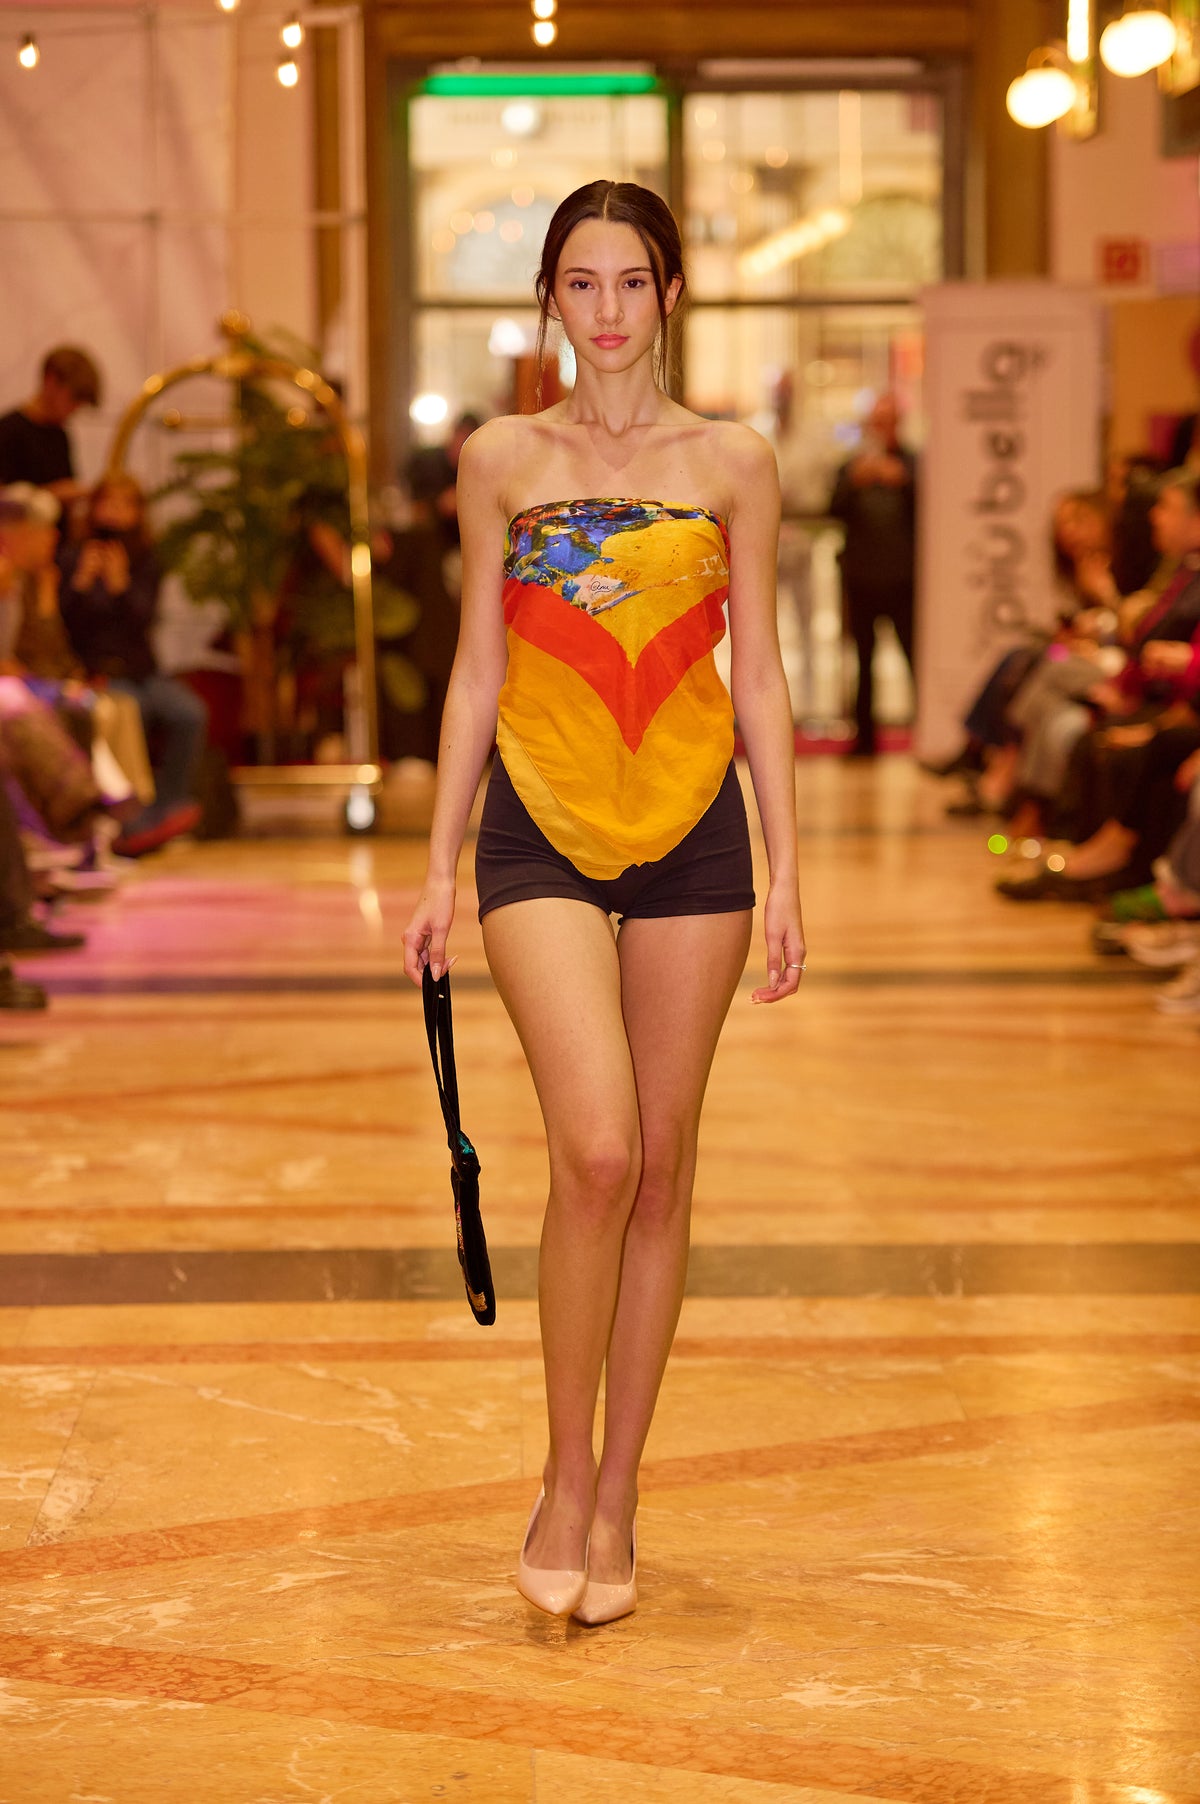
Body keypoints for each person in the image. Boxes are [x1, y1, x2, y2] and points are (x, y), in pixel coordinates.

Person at [402, 180, 805, 1627]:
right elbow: (475, 670)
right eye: (583, 282)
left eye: (634, 281)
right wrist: (438, 864)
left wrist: (789, 869)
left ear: (673, 293)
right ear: (551, 300)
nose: (610, 310)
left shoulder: (735, 462)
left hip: (696, 835)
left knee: (665, 1165)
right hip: (538, 828)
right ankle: (563, 1475)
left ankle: (621, 1488)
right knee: (596, 1149)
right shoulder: (501, 460)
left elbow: (761, 676)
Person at [59, 475, 207, 856]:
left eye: (126, 504)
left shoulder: (145, 560)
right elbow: (65, 625)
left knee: (189, 713)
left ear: (138, 513)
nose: (116, 512)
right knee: (130, 710)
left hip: (141, 670)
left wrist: (121, 585)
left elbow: (144, 621)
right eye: (109, 502)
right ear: (94, 508)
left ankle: (167, 807)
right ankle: (132, 822)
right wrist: (81, 582)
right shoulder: (73, 556)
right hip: (97, 670)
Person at [828, 392, 918, 757]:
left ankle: (927, 729)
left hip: (904, 579)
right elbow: (832, 510)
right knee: (863, 661)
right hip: (861, 578)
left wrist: (905, 483)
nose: (882, 428)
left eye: (888, 421)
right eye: (877, 421)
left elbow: (933, 514)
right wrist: (854, 482)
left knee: (915, 656)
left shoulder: (914, 465)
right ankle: (864, 739)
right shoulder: (852, 467)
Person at [0, 347, 102, 505]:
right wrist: (52, 493)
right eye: (74, 398)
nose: (75, 408)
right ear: (51, 381)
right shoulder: (7, 431)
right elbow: (4, 500)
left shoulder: (59, 434)